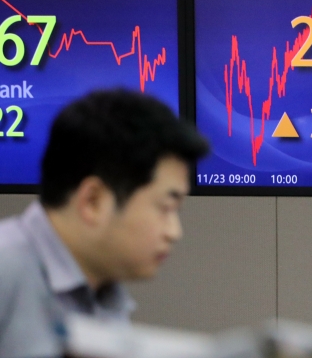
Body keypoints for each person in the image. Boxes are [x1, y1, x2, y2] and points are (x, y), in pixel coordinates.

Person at [0, 89, 209, 358]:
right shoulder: (7, 270)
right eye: (165, 208)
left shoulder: (106, 295)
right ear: (93, 201)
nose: (174, 232)